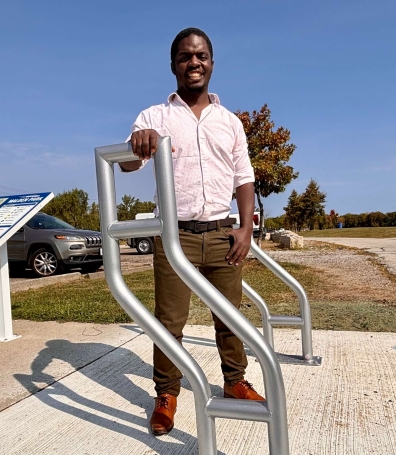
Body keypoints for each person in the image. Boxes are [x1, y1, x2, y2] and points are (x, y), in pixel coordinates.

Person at [119, 27, 264, 436]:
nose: (193, 62)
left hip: (223, 233)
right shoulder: (154, 117)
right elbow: (129, 164)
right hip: (174, 236)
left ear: (212, 63)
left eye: (200, 55)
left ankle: (234, 381)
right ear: (174, 66)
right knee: (169, 322)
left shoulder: (230, 122)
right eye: (185, 57)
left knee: (230, 316)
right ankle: (166, 394)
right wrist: (137, 144)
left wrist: (245, 228)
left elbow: (244, 176)